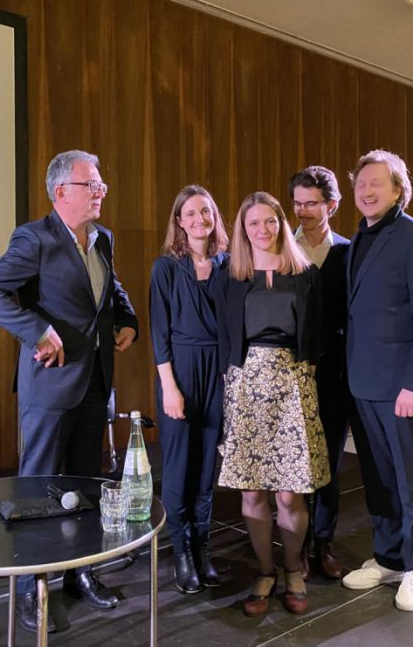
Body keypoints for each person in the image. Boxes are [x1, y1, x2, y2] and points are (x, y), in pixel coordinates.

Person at [0, 149, 138, 633]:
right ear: (62, 191)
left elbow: (110, 291)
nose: (101, 191)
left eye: (101, 184)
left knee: (86, 484)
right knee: (37, 488)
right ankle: (29, 587)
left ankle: (80, 573)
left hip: (95, 382)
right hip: (49, 384)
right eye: (93, 185)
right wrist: (37, 330)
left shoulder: (101, 238)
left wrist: (127, 319)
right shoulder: (35, 238)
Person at [340, 150, 413, 612]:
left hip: (403, 388)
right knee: (379, 479)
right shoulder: (359, 239)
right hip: (363, 383)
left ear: (397, 189)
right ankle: (388, 558)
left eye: (377, 183)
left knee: (412, 480)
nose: (367, 191)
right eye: (361, 183)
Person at [215, 191, 330, 617]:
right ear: (242, 231)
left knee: (290, 494)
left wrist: (305, 376)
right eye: (252, 224)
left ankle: (293, 568)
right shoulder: (231, 277)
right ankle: (265, 570)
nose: (262, 230)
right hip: (246, 387)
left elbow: (315, 336)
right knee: (252, 492)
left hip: (293, 386)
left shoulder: (305, 275)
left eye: (269, 221)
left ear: (282, 223)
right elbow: (225, 338)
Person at [149, 185, 229, 594]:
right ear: (179, 221)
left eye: (207, 211)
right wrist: (170, 388)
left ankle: (202, 549)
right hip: (179, 370)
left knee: (206, 469)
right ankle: (180, 552)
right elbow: (159, 334)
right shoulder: (165, 268)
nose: (200, 219)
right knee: (180, 467)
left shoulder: (228, 265)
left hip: (217, 371)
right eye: (191, 213)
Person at [288, 165, 359, 580]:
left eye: (311, 203)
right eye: (296, 203)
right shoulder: (282, 249)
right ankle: (293, 545)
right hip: (290, 371)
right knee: (292, 461)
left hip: (334, 372)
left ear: (332, 205)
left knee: (329, 460)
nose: (302, 211)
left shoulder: (349, 252)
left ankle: (323, 542)